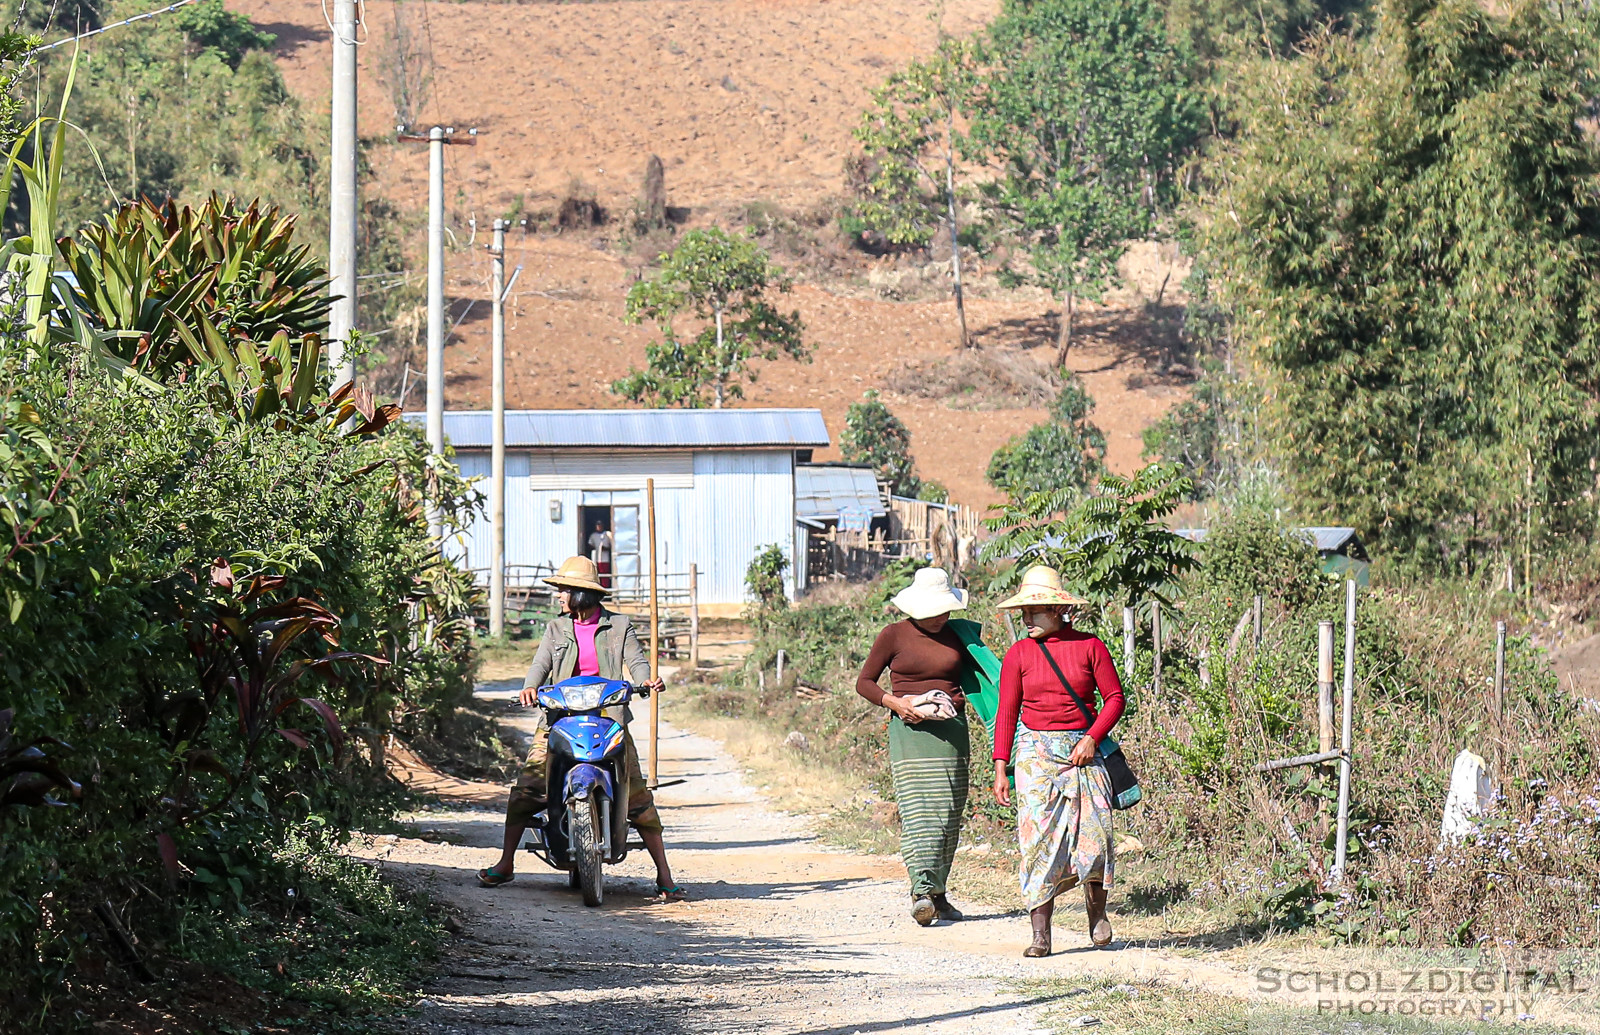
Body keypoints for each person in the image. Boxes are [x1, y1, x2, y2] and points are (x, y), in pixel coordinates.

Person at [477, 555, 685, 901]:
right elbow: (540, 664)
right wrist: (530, 688)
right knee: (528, 787)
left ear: (581, 594)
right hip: (560, 719)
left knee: (637, 796)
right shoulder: (555, 628)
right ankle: (506, 862)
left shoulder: (619, 626)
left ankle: (664, 876)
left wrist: (646, 679)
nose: (559, 596)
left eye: (564, 590)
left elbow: (635, 659)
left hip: (608, 719)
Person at [991, 564, 1124, 957]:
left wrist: (1091, 738)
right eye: (1024, 613)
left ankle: (1097, 914)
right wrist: (1001, 766)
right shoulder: (1018, 654)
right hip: (1034, 755)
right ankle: (1041, 934)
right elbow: (1006, 712)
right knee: (1037, 843)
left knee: (1096, 836)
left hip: (1083, 753)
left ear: (1058, 610)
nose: (1027, 619)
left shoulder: (1090, 647)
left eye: (1034, 612)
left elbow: (1114, 698)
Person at [856, 567, 983, 927]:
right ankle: (921, 891)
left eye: (946, 610)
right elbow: (864, 682)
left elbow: (984, 679)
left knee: (948, 813)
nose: (941, 617)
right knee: (918, 812)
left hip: (951, 733)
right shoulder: (893, 635)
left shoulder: (960, 635)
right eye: (934, 611)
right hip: (910, 734)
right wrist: (895, 703)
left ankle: (939, 895)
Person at [587, 521, 614, 589]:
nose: (599, 527)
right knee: (597, 575)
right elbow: (589, 545)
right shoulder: (593, 535)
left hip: (605, 559)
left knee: (605, 575)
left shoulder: (608, 534)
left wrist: (606, 548)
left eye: (600, 525)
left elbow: (612, 546)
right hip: (596, 558)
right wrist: (594, 548)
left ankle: (606, 588)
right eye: (597, 526)